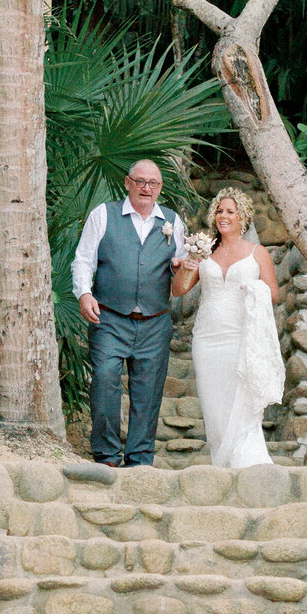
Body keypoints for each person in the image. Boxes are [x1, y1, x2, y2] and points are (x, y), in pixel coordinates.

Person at [72, 160, 186, 467]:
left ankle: (139, 458)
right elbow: (83, 260)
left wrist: (181, 268)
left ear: (160, 187)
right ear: (127, 183)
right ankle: (107, 454)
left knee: (148, 391)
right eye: (140, 181)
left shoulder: (173, 222)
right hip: (109, 317)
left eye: (154, 183)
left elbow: (181, 276)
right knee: (106, 378)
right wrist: (84, 293)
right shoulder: (104, 215)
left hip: (155, 321)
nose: (147, 188)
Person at [172, 186, 284, 469]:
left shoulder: (257, 253)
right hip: (207, 339)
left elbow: (273, 294)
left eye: (230, 211)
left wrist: (253, 288)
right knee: (214, 405)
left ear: (242, 217)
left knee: (241, 402)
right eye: (219, 210)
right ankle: (221, 462)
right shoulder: (205, 251)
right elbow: (179, 291)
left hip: (240, 336)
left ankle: (248, 463)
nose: (223, 215)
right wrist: (187, 266)